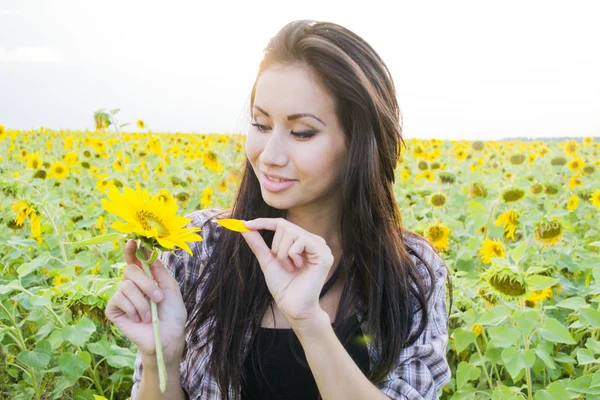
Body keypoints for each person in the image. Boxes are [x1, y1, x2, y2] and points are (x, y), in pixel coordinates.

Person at [105, 19, 453, 400]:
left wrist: (309, 322)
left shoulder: (413, 272)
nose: (269, 156)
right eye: (261, 124)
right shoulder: (196, 249)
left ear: (361, 143)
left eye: (302, 132)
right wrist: (161, 360)